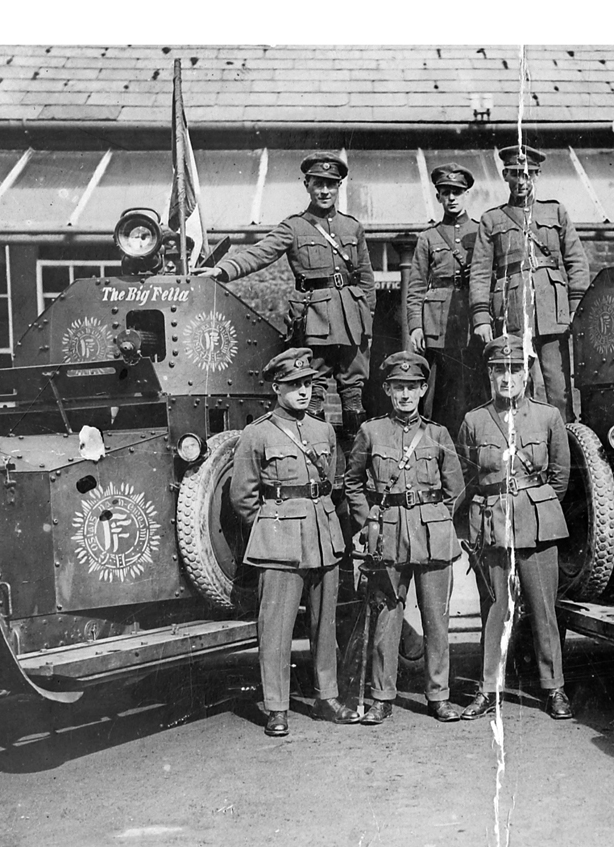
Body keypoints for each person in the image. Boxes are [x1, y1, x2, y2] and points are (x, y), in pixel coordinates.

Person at [197, 152, 375, 433]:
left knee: (354, 392)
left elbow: (365, 276)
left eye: (331, 184)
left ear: (339, 186)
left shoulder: (352, 227)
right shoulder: (294, 227)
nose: (325, 191)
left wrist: (368, 319)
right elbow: (260, 253)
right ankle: (318, 462)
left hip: (353, 321)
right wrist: (223, 270)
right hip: (316, 320)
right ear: (307, 185)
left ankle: (357, 468)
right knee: (312, 388)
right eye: (318, 184)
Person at [231, 347, 358, 735]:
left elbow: (328, 484)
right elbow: (242, 496)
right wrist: (273, 526)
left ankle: (326, 696)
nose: (303, 391)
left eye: (307, 384)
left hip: (322, 535)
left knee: (324, 623)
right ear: (276, 387)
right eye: (294, 385)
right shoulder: (258, 433)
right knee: (276, 627)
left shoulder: (323, 430)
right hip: (280, 541)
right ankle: (277, 707)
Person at [344, 351, 466, 724]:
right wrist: (369, 522)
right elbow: (351, 483)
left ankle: (438, 695)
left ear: (423, 389)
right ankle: (382, 695)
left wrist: (439, 519)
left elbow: (456, 487)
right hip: (388, 537)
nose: (405, 395)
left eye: (412, 388)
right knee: (386, 618)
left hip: (431, 536)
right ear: (387, 389)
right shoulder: (371, 431)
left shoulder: (438, 433)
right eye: (398, 387)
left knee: (436, 620)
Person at [457, 334, 572, 721]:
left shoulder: (548, 416)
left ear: (526, 374)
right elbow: (466, 479)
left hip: (537, 524)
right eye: (498, 371)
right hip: (492, 524)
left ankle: (553, 688)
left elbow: (560, 477)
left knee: (543, 609)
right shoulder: (474, 421)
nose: (506, 378)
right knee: (495, 610)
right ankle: (489, 689)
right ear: (489, 375)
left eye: (514, 370)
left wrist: (530, 502)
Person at [469, 145, 589, 421]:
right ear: (505, 176)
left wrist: (575, 307)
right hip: (510, 313)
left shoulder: (556, 213)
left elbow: (577, 262)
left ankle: (562, 452)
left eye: (528, 174)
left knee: (558, 388)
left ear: (537, 175)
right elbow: (480, 272)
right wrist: (481, 317)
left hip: (553, 312)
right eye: (516, 174)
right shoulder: (492, 220)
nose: (522, 181)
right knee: (517, 386)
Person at [406, 162, 486, 437]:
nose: (451, 197)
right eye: (446, 192)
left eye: (457, 191)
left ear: (467, 195)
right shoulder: (428, 238)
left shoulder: (480, 233)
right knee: (439, 397)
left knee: (475, 392)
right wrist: (416, 326)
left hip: (472, 324)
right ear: (438, 196)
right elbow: (416, 286)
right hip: (438, 328)